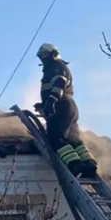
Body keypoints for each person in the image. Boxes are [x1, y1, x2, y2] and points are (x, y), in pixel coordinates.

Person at [33, 43, 99, 178]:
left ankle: (74, 164)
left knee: (55, 137)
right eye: (41, 56)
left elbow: (60, 83)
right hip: (70, 107)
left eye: (45, 55)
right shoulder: (56, 68)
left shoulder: (56, 67)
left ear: (53, 54)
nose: (43, 58)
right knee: (73, 138)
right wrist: (44, 103)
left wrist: (51, 101)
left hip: (61, 106)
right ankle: (89, 163)